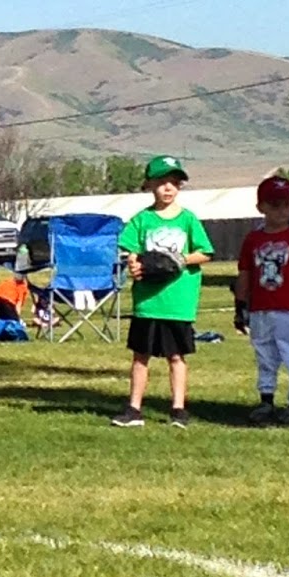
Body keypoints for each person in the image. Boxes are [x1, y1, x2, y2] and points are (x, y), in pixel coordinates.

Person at [112, 155, 213, 428]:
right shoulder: (142, 219)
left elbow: (205, 252)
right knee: (140, 356)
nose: (168, 188)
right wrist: (134, 265)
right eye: (161, 182)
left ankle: (178, 409)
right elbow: (131, 252)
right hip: (148, 301)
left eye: (174, 182)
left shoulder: (188, 219)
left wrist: (180, 259)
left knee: (176, 356)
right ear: (149, 185)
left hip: (177, 302)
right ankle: (134, 409)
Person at [236, 174, 289, 426]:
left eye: (288, 204)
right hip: (260, 308)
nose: (282, 210)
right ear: (261, 207)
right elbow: (245, 273)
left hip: (288, 309)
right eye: (275, 205)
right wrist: (240, 305)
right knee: (264, 354)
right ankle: (266, 399)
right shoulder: (253, 240)